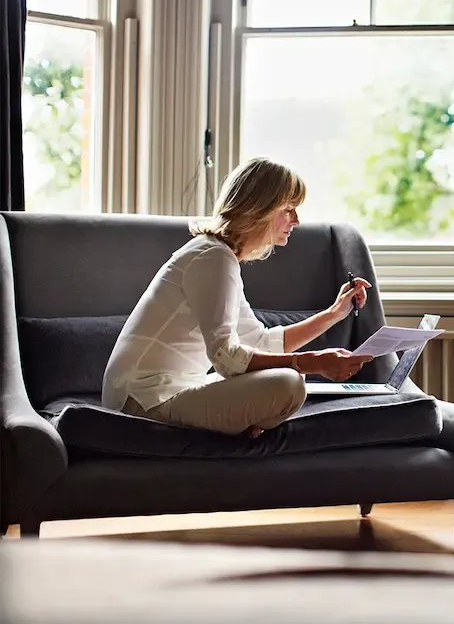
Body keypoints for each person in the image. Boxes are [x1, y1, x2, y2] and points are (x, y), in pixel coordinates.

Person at [101, 157, 373, 438]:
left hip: (165, 390)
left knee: (287, 378)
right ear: (260, 208)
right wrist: (313, 361)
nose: (296, 220)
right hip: (142, 400)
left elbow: (260, 342)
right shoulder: (212, 257)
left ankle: (237, 425)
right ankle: (238, 426)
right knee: (289, 384)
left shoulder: (219, 255)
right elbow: (226, 359)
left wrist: (334, 314)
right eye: (288, 209)